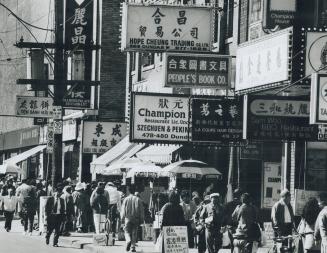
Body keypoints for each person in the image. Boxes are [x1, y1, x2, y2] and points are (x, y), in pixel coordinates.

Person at [121, 185, 144, 252]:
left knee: (127, 231)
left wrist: (122, 218)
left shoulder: (126, 199)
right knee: (134, 232)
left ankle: (128, 240)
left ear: (129, 191)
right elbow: (141, 211)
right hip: (136, 218)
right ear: (134, 191)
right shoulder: (138, 199)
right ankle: (133, 247)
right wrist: (141, 219)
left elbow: (123, 210)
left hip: (127, 218)